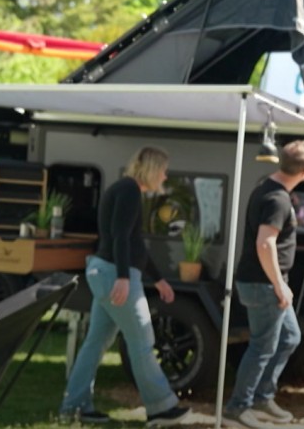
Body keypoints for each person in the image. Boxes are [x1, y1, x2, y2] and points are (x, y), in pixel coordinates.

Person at [59, 146, 190, 427]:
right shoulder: (129, 190)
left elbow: (134, 242)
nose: (165, 177)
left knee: (94, 344)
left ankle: (74, 407)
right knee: (142, 342)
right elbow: (119, 236)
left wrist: (158, 278)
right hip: (114, 274)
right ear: (153, 169)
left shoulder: (126, 189)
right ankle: (160, 409)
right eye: (164, 171)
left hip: (105, 271)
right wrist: (122, 277)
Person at [223, 140, 304, 429]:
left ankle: (263, 397)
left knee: (290, 338)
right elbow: (265, 243)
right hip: (264, 284)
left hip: (266, 282)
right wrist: (279, 284)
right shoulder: (277, 199)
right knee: (263, 346)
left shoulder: (266, 188)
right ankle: (238, 407)